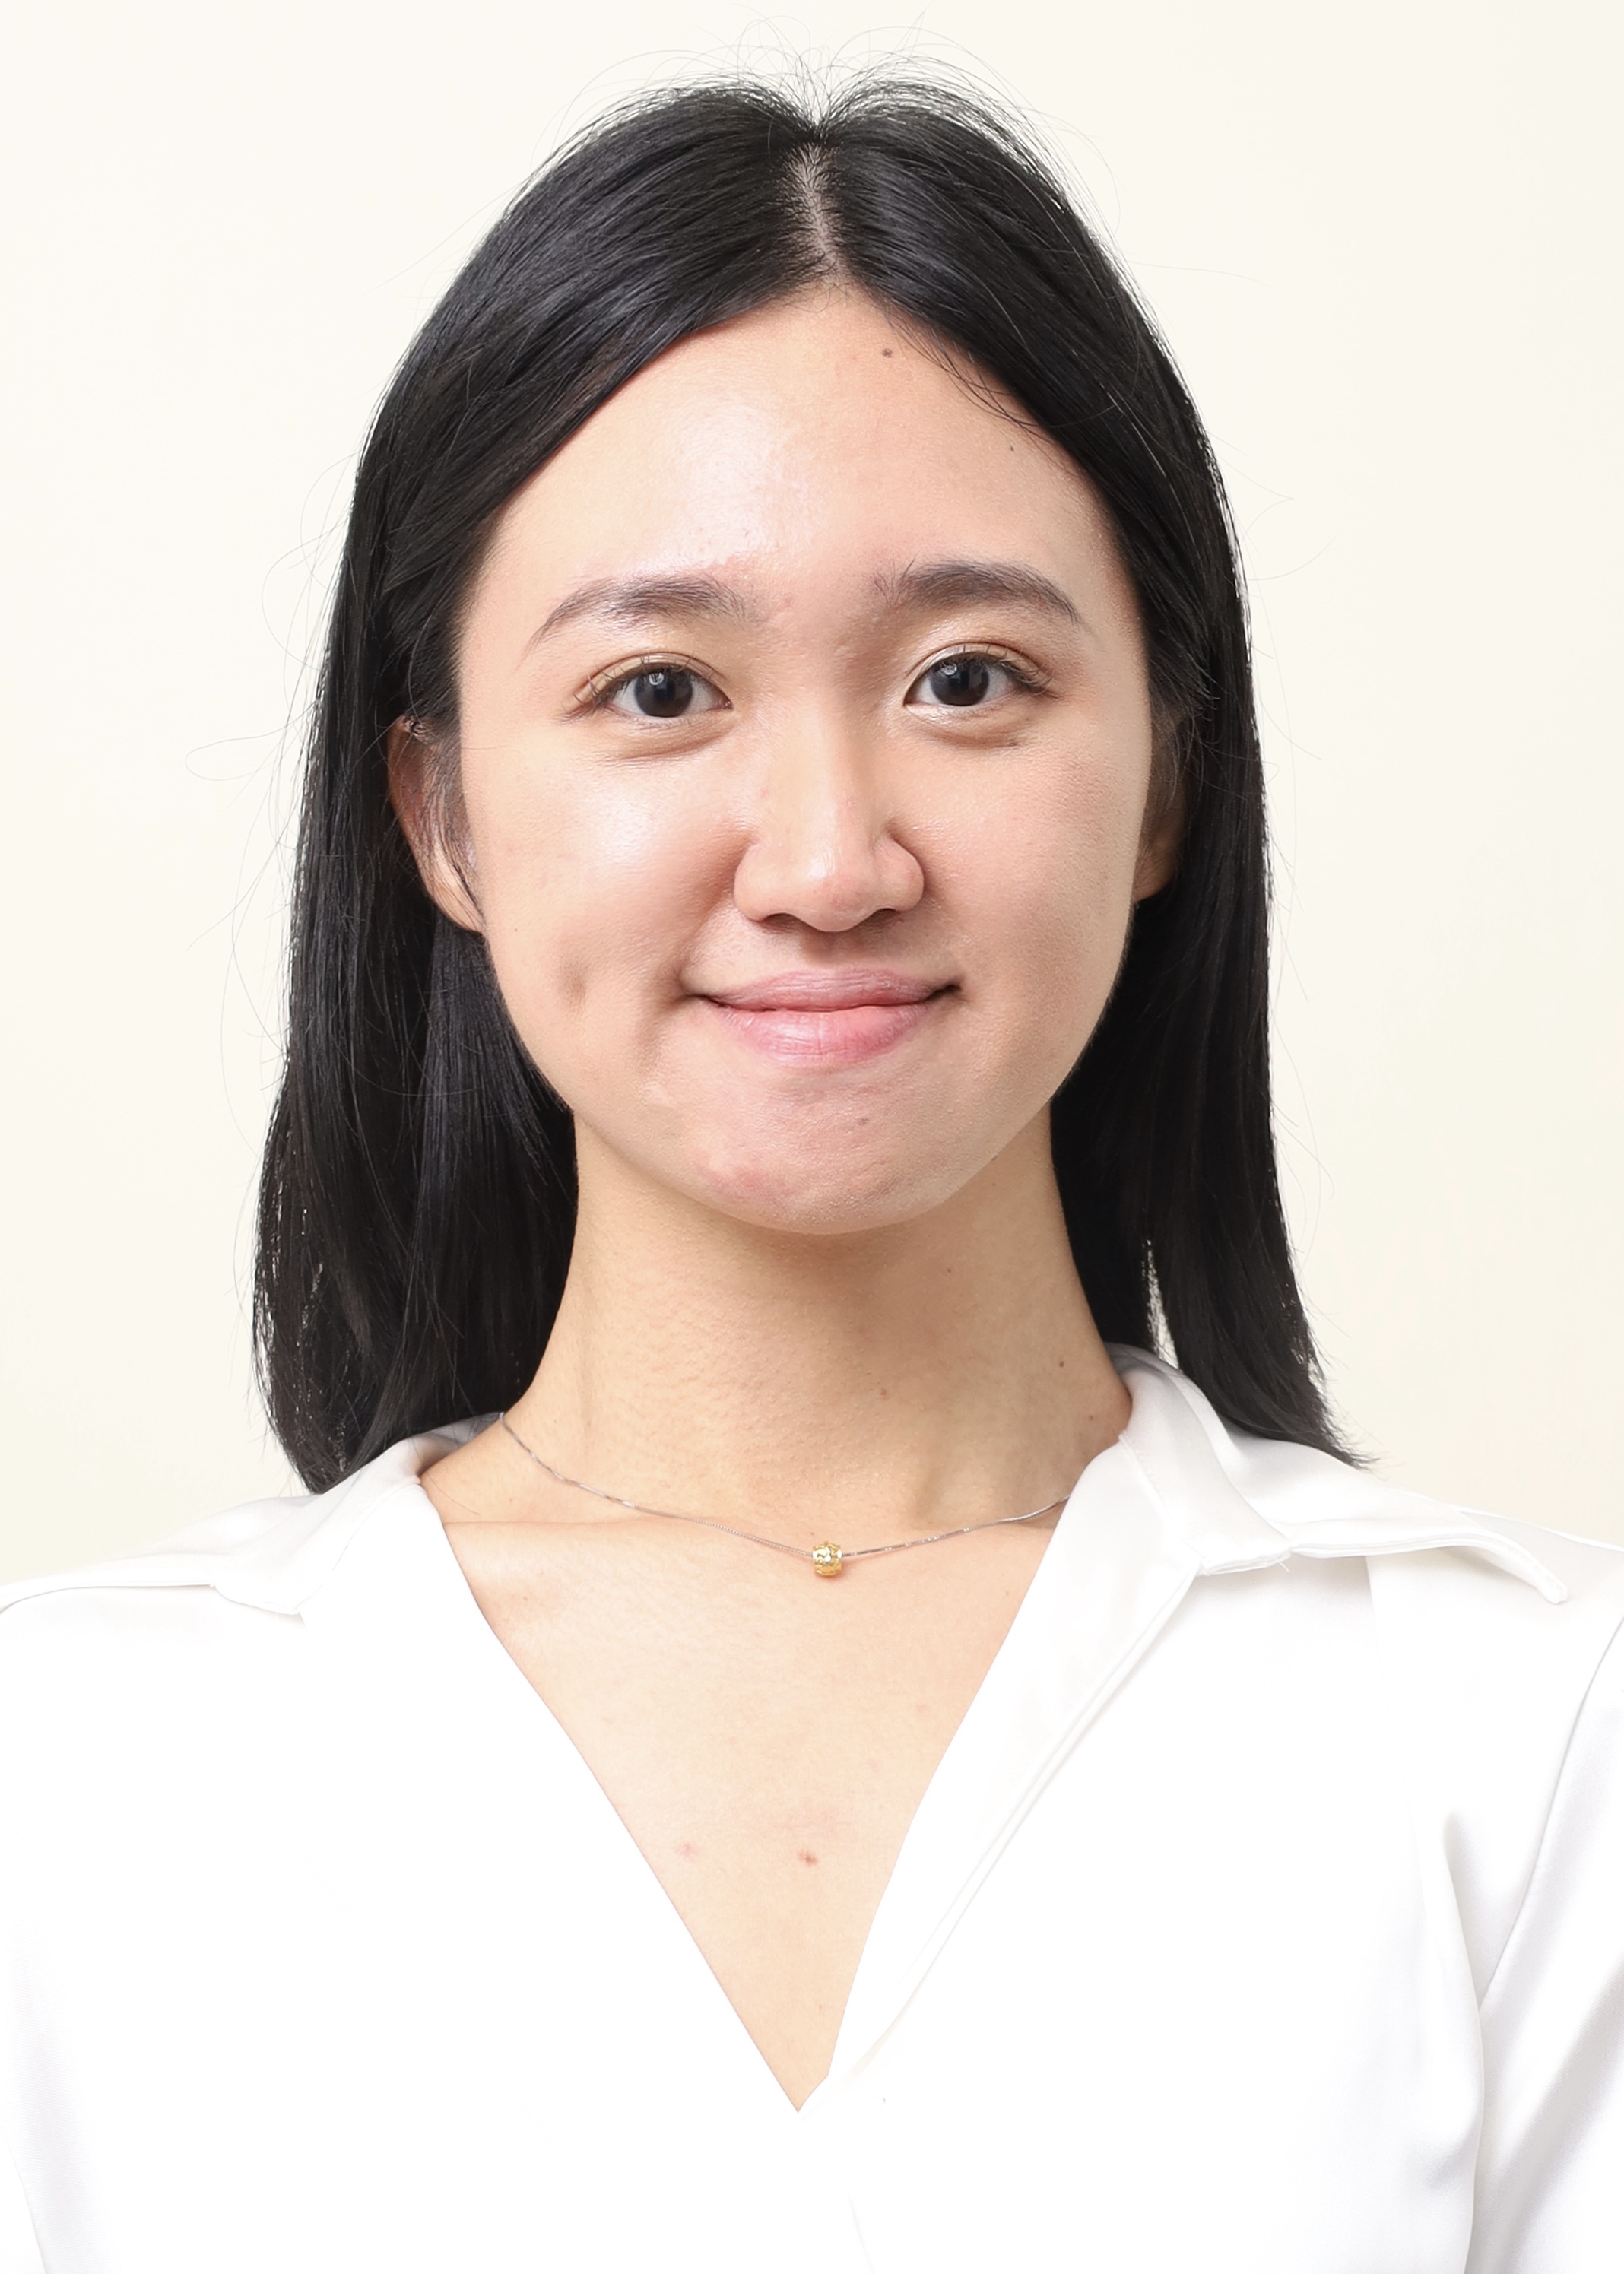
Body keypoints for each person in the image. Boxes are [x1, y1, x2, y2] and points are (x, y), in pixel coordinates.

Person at [1, 75, 1619, 2274]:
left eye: (968, 678)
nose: (832, 861)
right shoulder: (74, 1773)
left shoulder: (1538, 1739)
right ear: (442, 814)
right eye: (661, 689)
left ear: (1167, 780)